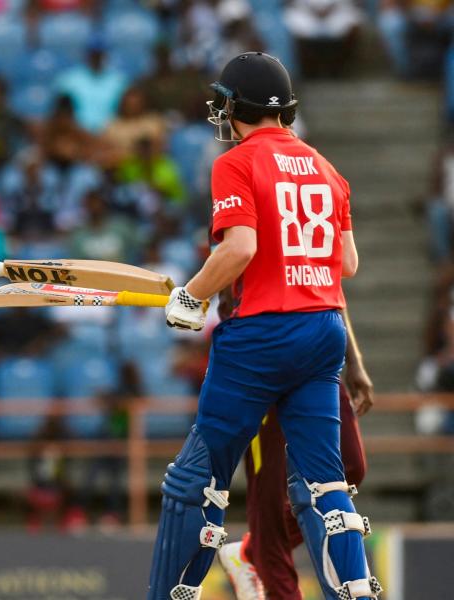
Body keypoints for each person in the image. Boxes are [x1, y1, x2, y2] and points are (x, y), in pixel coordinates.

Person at [149, 52, 380, 600]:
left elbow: (242, 248)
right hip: (323, 331)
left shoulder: (236, 161)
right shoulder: (325, 166)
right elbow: (345, 263)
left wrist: (190, 295)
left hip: (261, 337)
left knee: (196, 481)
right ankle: (357, 593)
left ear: (233, 106)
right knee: (327, 483)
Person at [217, 297, 374, 599]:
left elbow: (333, 284)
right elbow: (227, 287)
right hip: (261, 356)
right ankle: (264, 556)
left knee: (349, 468)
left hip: (316, 351)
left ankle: (252, 551)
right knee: (271, 498)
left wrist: (354, 362)